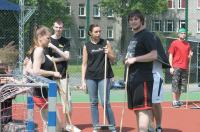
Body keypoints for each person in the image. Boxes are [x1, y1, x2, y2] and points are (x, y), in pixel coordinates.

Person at [125, 10, 157, 132]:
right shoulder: (134, 37)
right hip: (132, 78)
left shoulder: (146, 35)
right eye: (131, 19)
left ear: (141, 20)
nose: (133, 21)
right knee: (139, 109)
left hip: (142, 78)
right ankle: (151, 128)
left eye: (136, 19)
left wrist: (135, 59)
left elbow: (154, 55)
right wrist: (127, 59)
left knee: (142, 109)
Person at [81, 24, 116, 132]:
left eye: (100, 31)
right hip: (91, 77)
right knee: (93, 102)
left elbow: (113, 59)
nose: (98, 33)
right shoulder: (86, 46)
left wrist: (108, 53)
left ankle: (112, 126)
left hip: (104, 76)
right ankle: (96, 126)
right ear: (90, 33)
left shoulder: (106, 43)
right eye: (96, 32)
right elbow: (84, 64)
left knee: (105, 102)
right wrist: (83, 80)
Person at [27, 25, 63, 131]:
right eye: (48, 38)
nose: (49, 40)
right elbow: (36, 71)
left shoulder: (38, 50)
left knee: (48, 122)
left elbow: (29, 68)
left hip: (42, 92)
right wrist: (53, 73)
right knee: (54, 125)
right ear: (40, 37)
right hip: (42, 93)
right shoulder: (38, 51)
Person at [45, 19, 77, 131]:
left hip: (63, 75)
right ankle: (51, 125)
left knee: (67, 102)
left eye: (60, 27)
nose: (59, 29)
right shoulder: (48, 40)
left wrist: (55, 49)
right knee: (50, 103)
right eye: (57, 27)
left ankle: (67, 125)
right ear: (53, 27)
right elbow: (48, 59)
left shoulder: (65, 41)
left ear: (63, 28)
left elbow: (67, 57)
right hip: (51, 77)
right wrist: (62, 57)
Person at [149, 35, 171, 132]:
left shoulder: (155, 45)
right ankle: (150, 126)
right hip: (143, 77)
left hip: (156, 76)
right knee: (148, 104)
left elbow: (158, 57)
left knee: (155, 103)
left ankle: (158, 126)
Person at [168, 28, 193, 108]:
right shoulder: (174, 43)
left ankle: (178, 100)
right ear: (178, 34)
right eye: (182, 33)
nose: (183, 34)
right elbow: (171, 55)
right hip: (176, 66)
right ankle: (174, 101)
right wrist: (171, 67)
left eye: (185, 33)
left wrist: (190, 55)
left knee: (181, 85)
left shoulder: (187, 44)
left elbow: (188, 57)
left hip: (184, 67)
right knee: (175, 84)